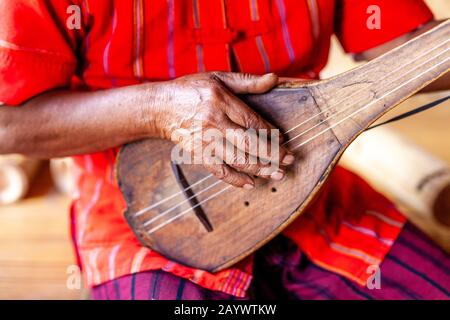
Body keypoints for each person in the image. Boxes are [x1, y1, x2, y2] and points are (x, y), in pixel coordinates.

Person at [0, 0, 449, 300]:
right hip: (145, 217)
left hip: (313, 189)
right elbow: (7, 122)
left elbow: (403, 46)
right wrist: (157, 109)